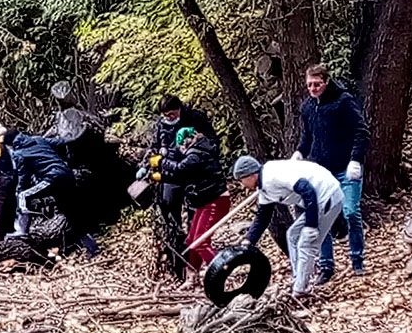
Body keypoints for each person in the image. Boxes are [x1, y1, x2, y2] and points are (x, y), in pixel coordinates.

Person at [294, 64, 370, 282]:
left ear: (326, 82)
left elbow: (361, 131)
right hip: (321, 172)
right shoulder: (308, 107)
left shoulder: (343, 101)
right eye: (309, 85)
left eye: (317, 84)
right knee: (321, 217)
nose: (313, 88)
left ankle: (357, 260)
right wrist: (300, 152)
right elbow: (307, 137)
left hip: (346, 169)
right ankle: (326, 265)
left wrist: (355, 160)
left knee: (350, 212)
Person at [232, 155, 344, 297]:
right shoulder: (264, 188)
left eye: (241, 180)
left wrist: (311, 225)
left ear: (251, 175)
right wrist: (249, 241)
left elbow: (307, 189)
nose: (242, 185)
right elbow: (263, 217)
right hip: (317, 200)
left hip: (327, 195)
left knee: (306, 243)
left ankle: (300, 290)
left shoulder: (272, 176)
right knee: (292, 235)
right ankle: (299, 278)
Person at [143, 95, 219, 275]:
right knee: (170, 215)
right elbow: (155, 146)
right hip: (170, 176)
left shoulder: (195, 118)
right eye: (165, 115)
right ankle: (176, 261)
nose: (169, 117)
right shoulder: (161, 125)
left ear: (179, 109)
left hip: (192, 175)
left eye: (171, 114)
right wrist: (149, 164)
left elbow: (212, 143)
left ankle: (195, 261)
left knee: (195, 218)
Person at [151, 127, 230, 289]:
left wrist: (161, 162)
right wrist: (162, 176)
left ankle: (222, 272)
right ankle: (192, 277)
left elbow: (181, 168)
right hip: (204, 201)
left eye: (180, 146)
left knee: (201, 241)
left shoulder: (197, 153)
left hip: (215, 200)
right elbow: (183, 176)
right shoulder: (198, 151)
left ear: (185, 142)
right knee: (191, 241)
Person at [3, 129, 99, 256]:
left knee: (22, 196)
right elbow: (61, 142)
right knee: (71, 215)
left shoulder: (19, 153)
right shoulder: (38, 139)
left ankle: (22, 232)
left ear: (10, 144)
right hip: (67, 175)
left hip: (53, 178)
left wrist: (20, 190)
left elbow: (23, 178)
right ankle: (93, 247)